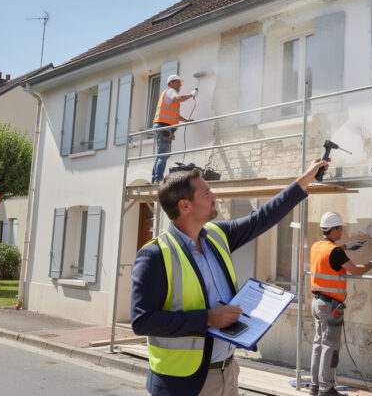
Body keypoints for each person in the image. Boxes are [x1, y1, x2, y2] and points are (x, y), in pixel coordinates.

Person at [131, 157, 329, 396]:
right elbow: (142, 321)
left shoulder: (217, 234)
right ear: (185, 206)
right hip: (183, 383)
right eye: (206, 193)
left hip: (228, 372)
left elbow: (262, 218)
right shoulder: (155, 255)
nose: (214, 196)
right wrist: (207, 318)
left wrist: (305, 180)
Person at [309, 211, 372, 396]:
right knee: (330, 346)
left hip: (317, 303)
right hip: (330, 306)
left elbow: (330, 253)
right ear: (334, 229)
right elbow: (356, 270)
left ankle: (315, 386)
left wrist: (347, 246)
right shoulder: (336, 252)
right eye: (340, 228)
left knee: (318, 344)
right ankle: (327, 389)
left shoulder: (317, 246)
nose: (342, 231)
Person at [151, 74, 195, 184]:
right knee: (163, 154)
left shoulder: (168, 94)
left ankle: (154, 178)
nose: (180, 85)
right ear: (171, 83)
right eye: (178, 82)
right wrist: (191, 95)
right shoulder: (171, 91)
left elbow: (176, 115)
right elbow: (179, 98)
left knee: (161, 154)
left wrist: (186, 121)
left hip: (163, 127)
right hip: (164, 127)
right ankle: (158, 179)